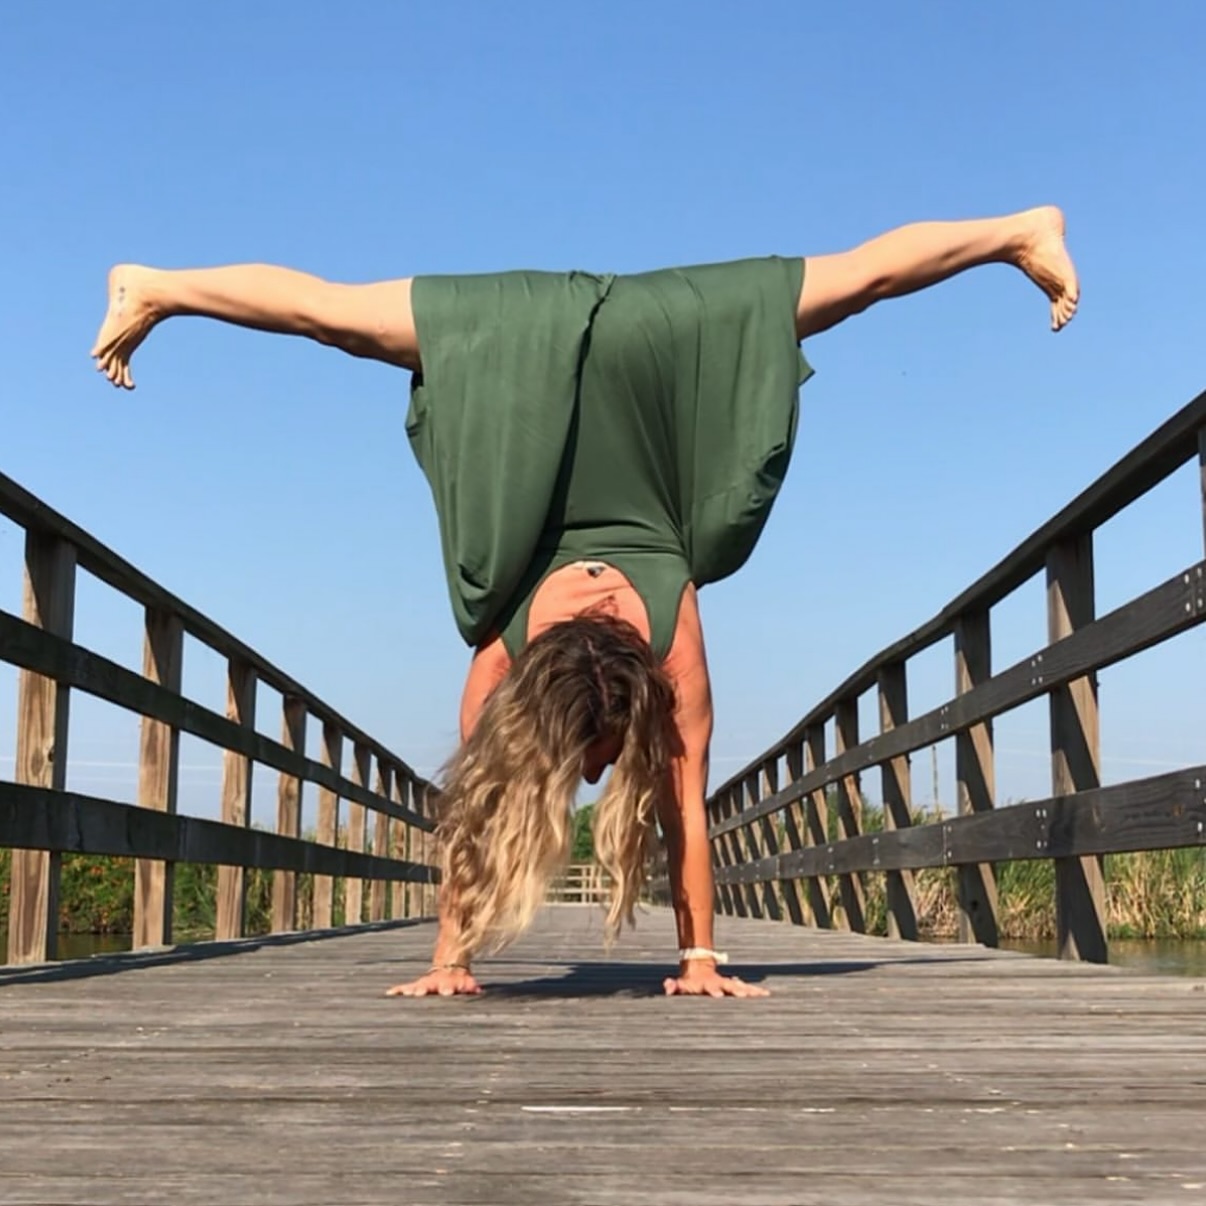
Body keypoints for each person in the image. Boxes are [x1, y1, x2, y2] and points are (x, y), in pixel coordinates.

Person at [91, 206, 1078, 999]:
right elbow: (647, 806)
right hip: (615, 345)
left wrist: (474, 959)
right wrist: (478, 959)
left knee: (332, 313)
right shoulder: (539, 653)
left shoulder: (632, 634)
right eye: (605, 764)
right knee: (337, 317)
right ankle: (1016, 234)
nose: (602, 775)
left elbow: (500, 811)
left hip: (587, 348)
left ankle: (162, 289)